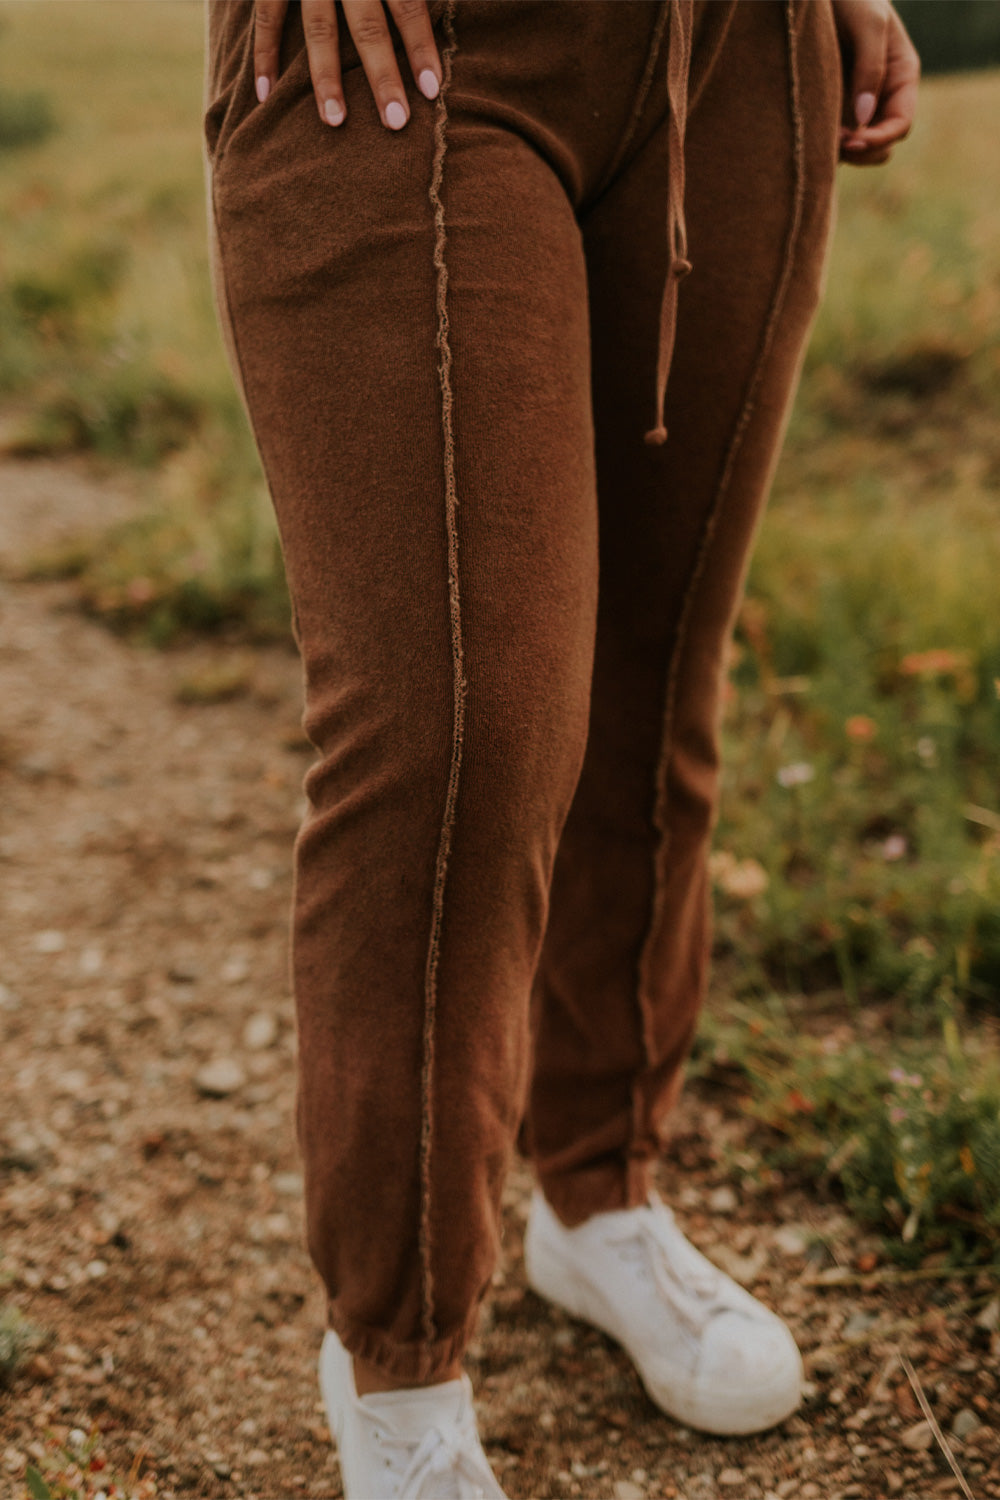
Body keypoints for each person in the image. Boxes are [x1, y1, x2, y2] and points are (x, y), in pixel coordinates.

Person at [203, 2, 919, 1494]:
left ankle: (599, 1199)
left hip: (742, 52)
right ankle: (399, 1367)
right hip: (411, 48)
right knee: (465, 731)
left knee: (657, 684)